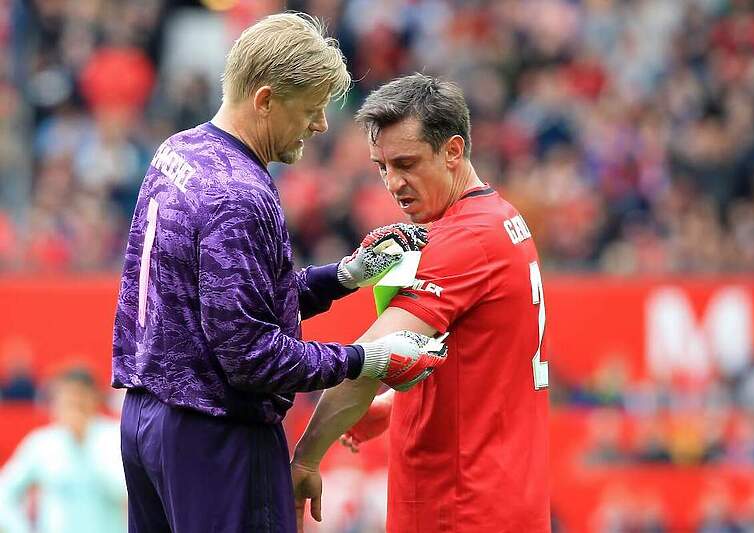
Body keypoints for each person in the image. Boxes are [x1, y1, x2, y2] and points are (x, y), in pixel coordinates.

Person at [112, 13, 448, 533]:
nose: (320, 126)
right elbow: (250, 356)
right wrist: (368, 360)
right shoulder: (240, 193)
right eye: (311, 109)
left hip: (147, 420)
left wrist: (344, 277)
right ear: (265, 100)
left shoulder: (177, 151)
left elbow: (230, 302)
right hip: (215, 437)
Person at [292, 73, 551, 532]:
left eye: (407, 163)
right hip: (502, 504)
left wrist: (306, 458)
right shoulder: (502, 220)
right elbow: (485, 367)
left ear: (453, 150)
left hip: (460, 510)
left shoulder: (464, 239)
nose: (393, 182)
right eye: (382, 166)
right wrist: (396, 405)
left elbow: (370, 361)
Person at [0, 367, 126, 533]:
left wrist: (84, 441)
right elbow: (5, 492)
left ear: (94, 398)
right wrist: (22, 529)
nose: (74, 404)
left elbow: (125, 491)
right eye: (68, 398)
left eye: (80, 397)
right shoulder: (42, 443)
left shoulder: (115, 436)